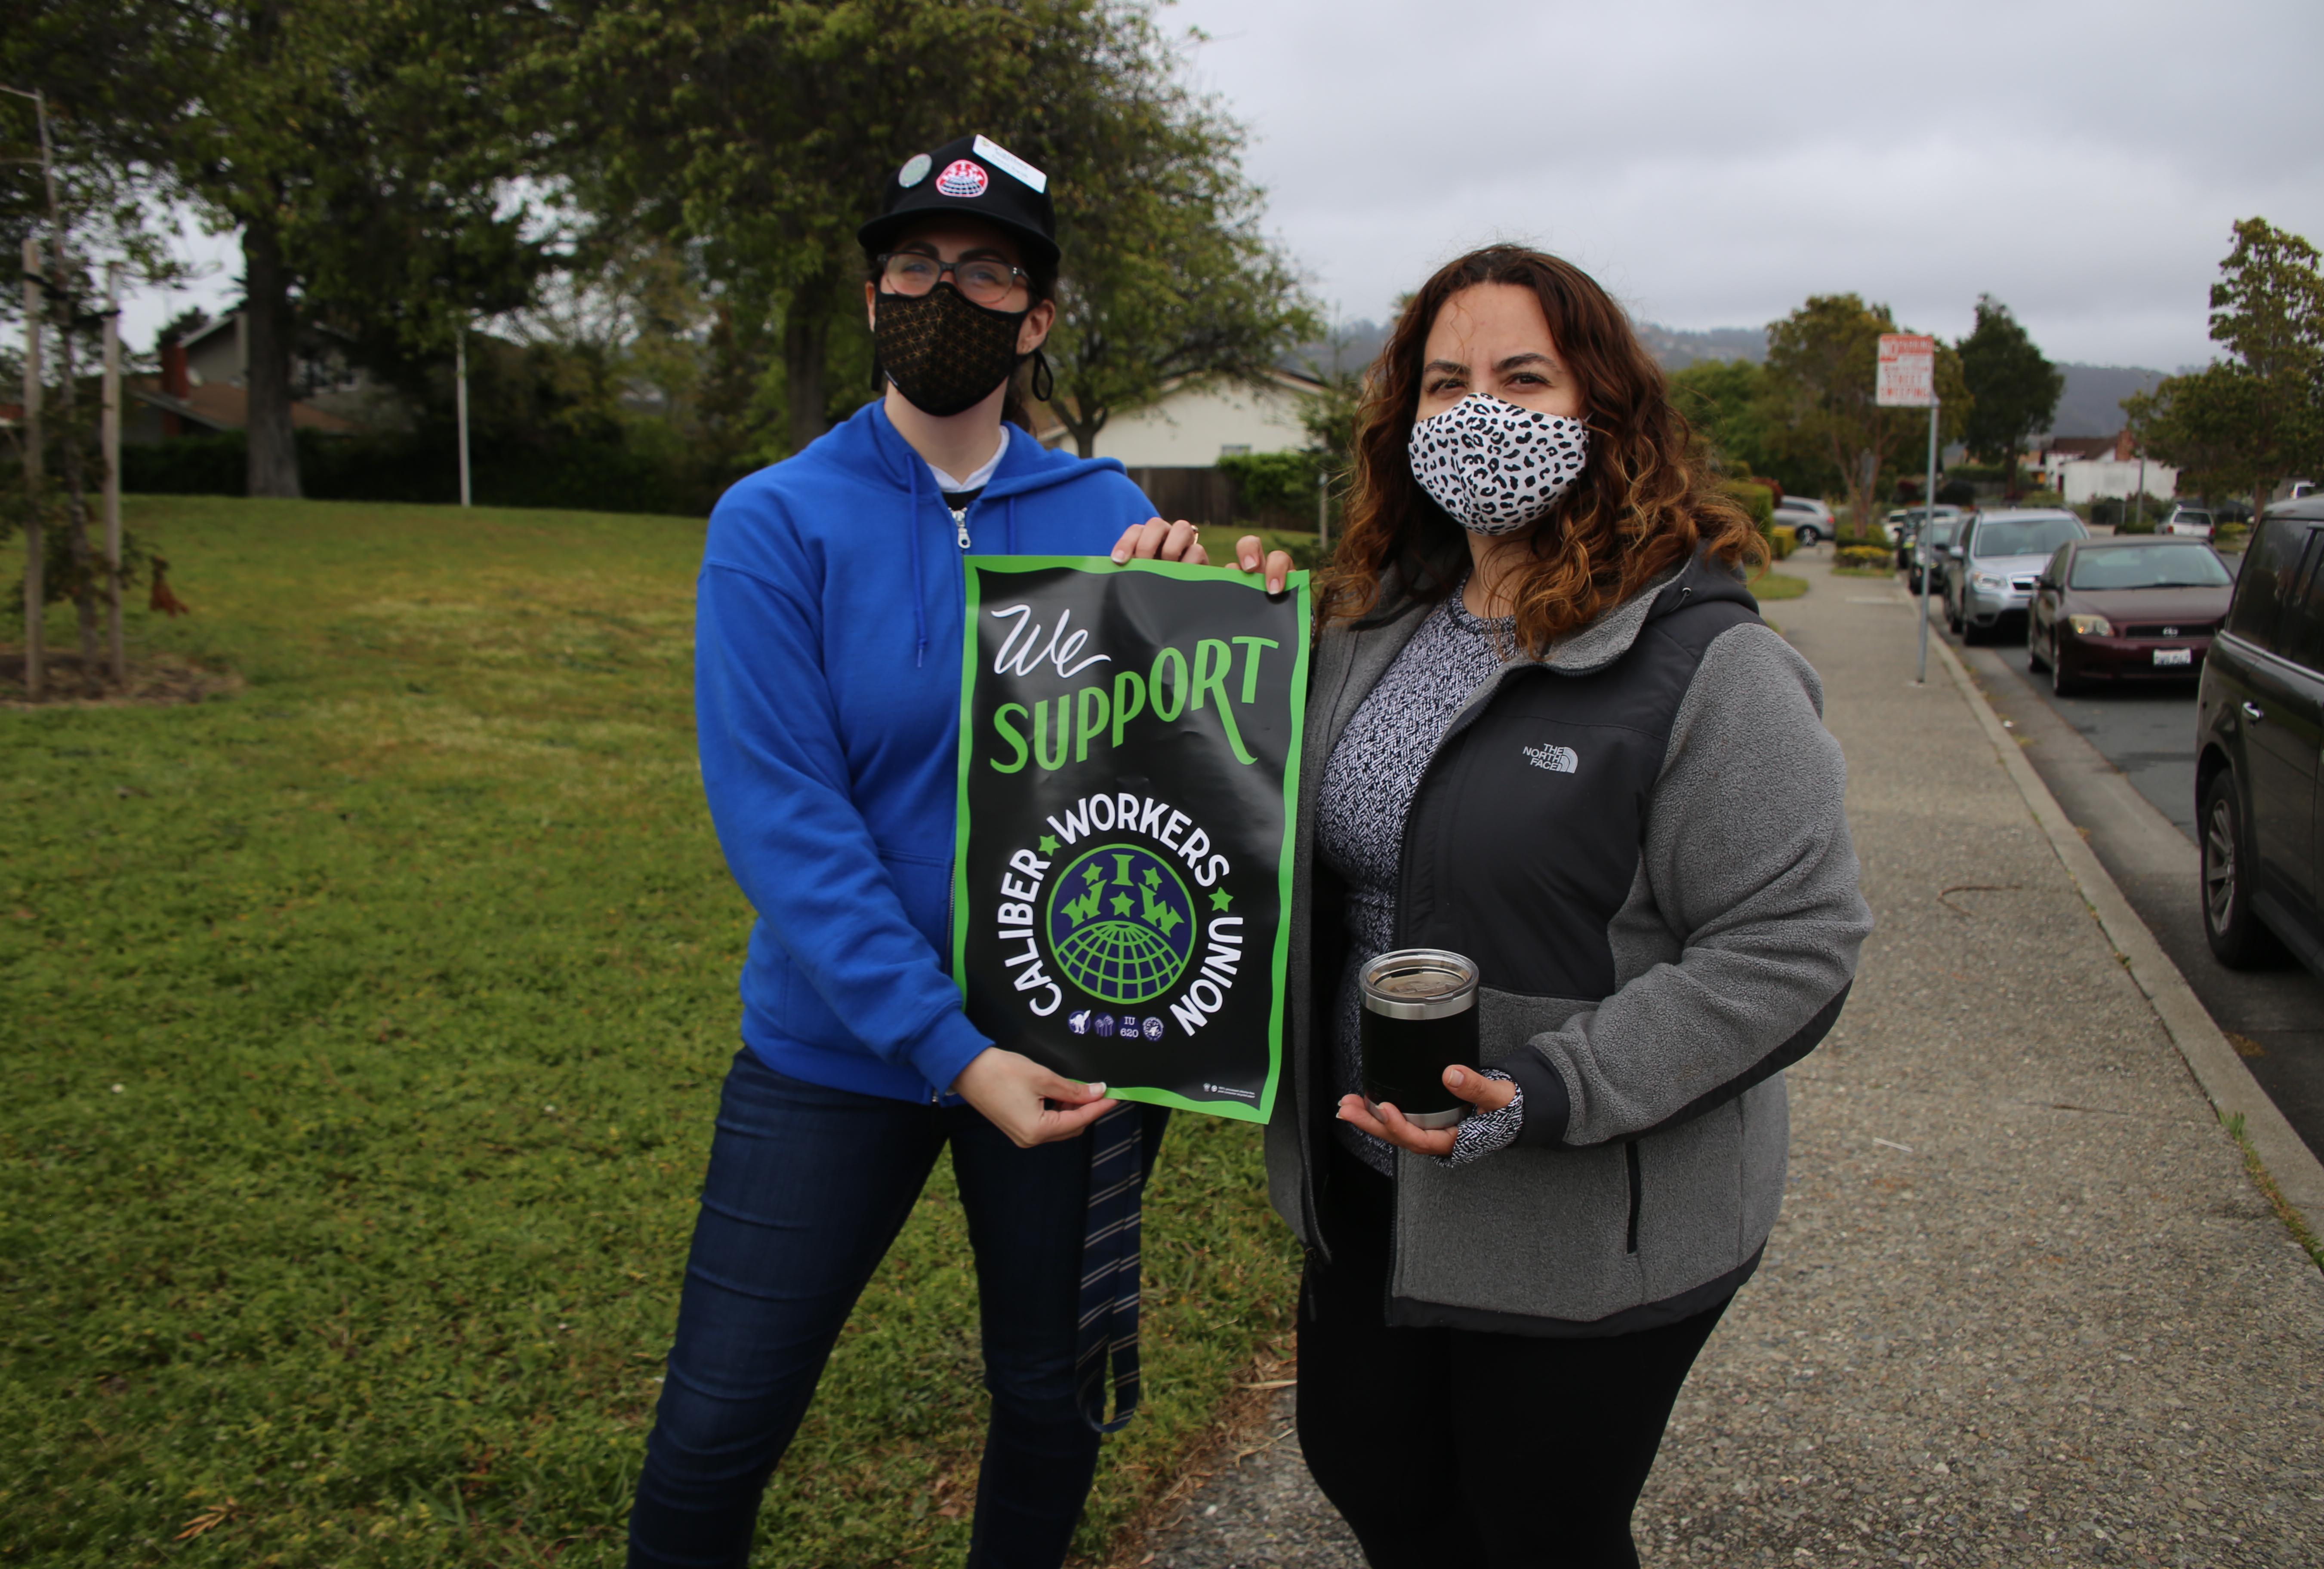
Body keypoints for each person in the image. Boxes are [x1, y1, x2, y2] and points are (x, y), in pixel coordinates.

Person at [628, 132, 1227, 1569]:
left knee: (1048, 1398)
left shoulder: (1108, 515)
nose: (940, 292)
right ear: (874, 291)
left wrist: (1216, 610)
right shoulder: (774, 520)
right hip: (834, 1054)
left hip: (1068, 1037)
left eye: (983, 271)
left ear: (1036, 316)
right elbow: (786, 822)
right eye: (913, 264)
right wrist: (950, 1050)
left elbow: (1165, 769)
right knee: (717, 1426)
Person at [1257, 245, 1871, 1568]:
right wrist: (1183, 603)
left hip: (1584, 1214)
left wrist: (1550, 1087)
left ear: (1603, 408)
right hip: (1370, 1178)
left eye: (1522, 377)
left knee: (1538, 1529)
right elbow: (1246, 818)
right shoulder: (1370, 619)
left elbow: (1795, 945)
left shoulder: (1711, 662)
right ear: (1402, 420)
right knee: (1376, 1478)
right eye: (1443, 382)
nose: (1477, 409)